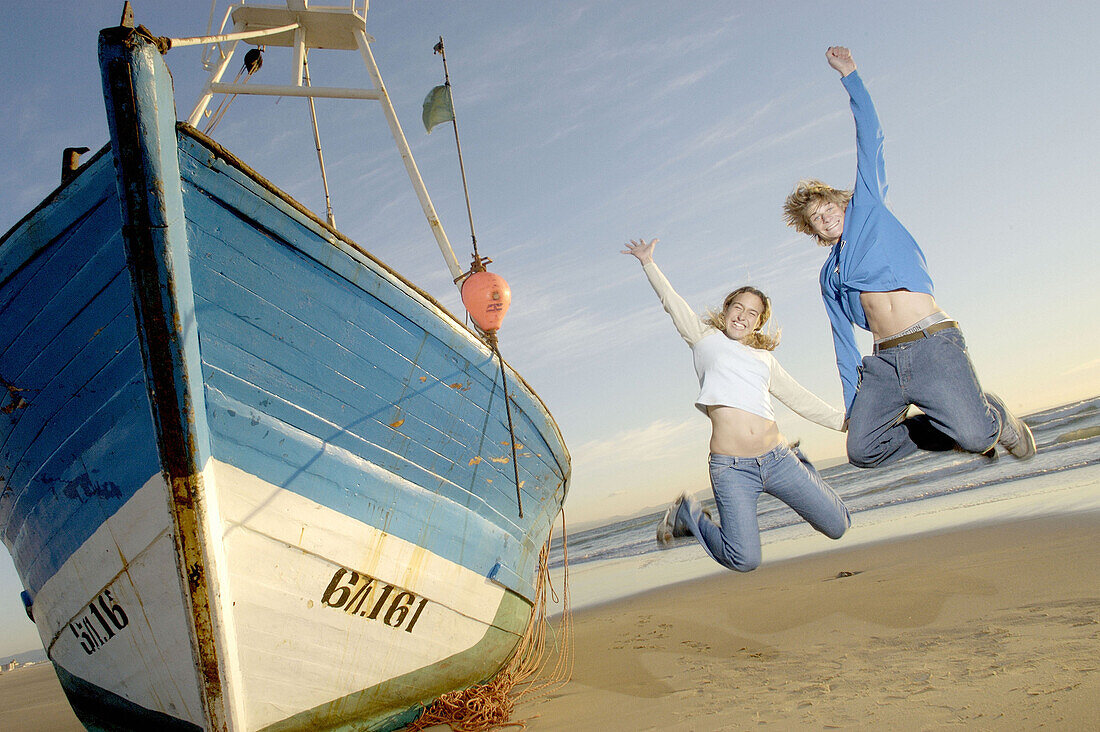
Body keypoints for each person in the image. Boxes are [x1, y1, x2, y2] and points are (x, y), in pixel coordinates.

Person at [782, 46, 1035, 468]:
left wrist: (851, 77)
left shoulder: (870, 211)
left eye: (826, 207)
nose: (823, 216)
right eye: (814, 219)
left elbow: (871, 140)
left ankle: (995, 415)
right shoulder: (830, 275)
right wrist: (851, 401)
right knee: (863, 450)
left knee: (975, 437)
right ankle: (950, 421)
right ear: (813, 232)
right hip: (883, 362)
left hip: (931, 342)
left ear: (840, 203)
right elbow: (841, 337)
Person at [622, 238, 850, 572]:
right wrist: (648, 263)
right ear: (727, 309)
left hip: (778, 459)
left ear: (759, 323)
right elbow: (671, 302)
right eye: (738, 307)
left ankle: (801, 460)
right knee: (744, 560)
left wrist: (844, 422)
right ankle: (688, 513)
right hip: (732, 469)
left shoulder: (764, 359)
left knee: (839, 524)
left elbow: (799, 398)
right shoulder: (704, 339)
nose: (742, 316)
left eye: (752, 313)